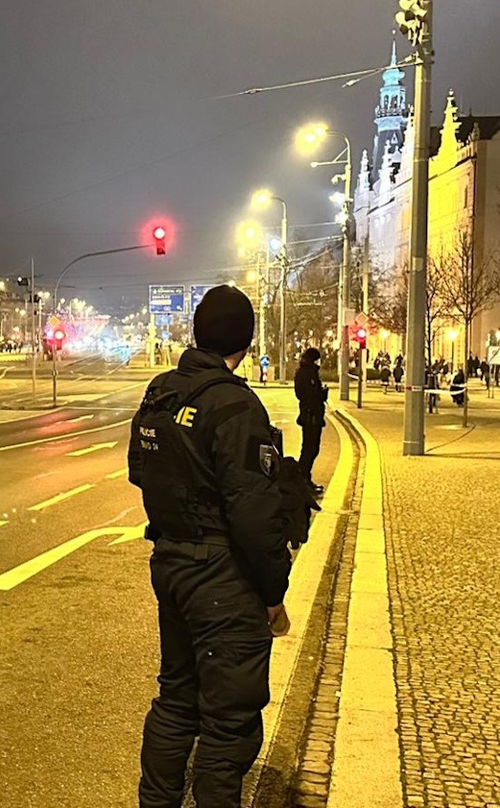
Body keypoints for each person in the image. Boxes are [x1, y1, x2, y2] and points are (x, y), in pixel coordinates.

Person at [130, 285, 300, 808]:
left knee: (177, 699)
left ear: (197, 332)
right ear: (246, 341)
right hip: (223, 579)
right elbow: (254, 515)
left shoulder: (160, 392)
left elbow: (139, 471)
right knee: (229, 724)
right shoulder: (236, 405)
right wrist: (273, 593)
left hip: (171, 564)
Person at [295, 347, 328, 495]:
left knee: (310, 448)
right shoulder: (307, 373)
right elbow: (309, 395)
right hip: (311, 415)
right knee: (310, 448)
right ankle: (302, 479)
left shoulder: (305, 371)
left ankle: (304, 478)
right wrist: (321, 394)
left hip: (310, 414)